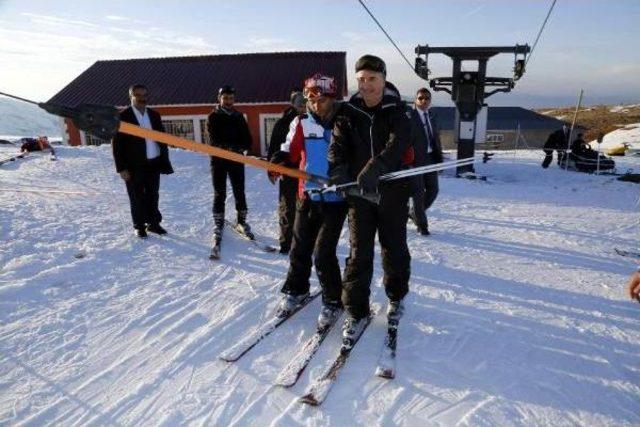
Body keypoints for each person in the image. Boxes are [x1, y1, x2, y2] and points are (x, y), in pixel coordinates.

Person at [329, 55, 413, 347]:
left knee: (393, 248)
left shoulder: (398, 111)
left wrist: (375, 168)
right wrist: (339, 173)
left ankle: (396, 297)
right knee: (358, 252)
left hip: (392, 193)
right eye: (361, 79)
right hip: (359, 196)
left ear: (384, 78)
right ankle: (356, 310)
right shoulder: (347, 112)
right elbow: (336, 148)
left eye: (372, 79)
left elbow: (397, 145)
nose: (366, 85)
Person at [272, 73, 347, 327]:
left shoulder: (345, 121)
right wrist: (278, 162)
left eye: (321, 99)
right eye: (310, 99)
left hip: (336, 198)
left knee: (323, 253)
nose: (315, 105)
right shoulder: (301, 122)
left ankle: (333, 301)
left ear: (331, 97)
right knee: (299, 248)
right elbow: (289, 151)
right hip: (308, 194)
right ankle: (297, 289)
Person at [112, 84, 174, 238]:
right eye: (138, 95)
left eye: (144, 95)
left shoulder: (154, 115)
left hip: (153, 163)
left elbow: (162, 139)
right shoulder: (122, 117)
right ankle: (139, 226)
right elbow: (117, 144)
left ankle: (154, 224)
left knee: (153, 195)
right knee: (136, 196)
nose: (142, 98)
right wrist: (121, 168)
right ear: (131, 97)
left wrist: (164, 159)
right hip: (133, 166)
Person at [206, 85, 253, 245]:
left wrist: (241, 147)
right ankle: (218, 222)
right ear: (219, 99)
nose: (228, 101)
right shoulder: (213, 116)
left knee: (239, 190)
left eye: (231, 98)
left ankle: (242, 221)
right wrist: (230, 147)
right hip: (218, 161)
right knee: (220, 192)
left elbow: (247, 139)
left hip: (236, 160)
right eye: (225, 98)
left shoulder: (238, 116)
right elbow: (213, 140)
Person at [267, 89, 306, 254]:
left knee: (305, 208)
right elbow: (274, 149)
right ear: (293, 104)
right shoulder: (283, 123)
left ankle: (304, 242)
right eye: (300, 104)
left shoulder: (313, 120)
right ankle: (286, 244)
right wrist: (274, 168)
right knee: (288, 208)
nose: (303, 107)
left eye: (305, 103)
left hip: (306, 171)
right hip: (288, 171)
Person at [408, 87, 443, 235]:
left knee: (433, 190)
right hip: (416, 160)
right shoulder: (410, 116)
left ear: (430, 101)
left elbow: (435, 138)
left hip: (430, 158)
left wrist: (439, 157)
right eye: (420, 98)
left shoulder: (432, 116)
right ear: (416, 100)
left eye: (426, 98)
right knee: (418, 193)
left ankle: (414, 212)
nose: (423, 101)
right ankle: (422, 225)